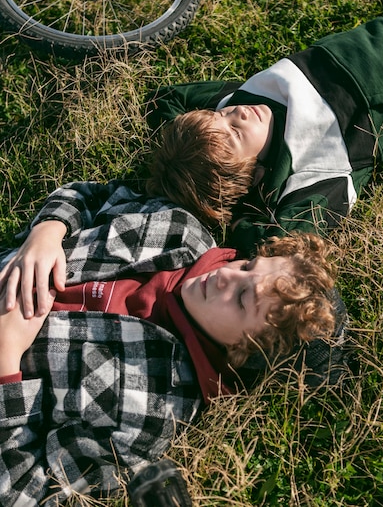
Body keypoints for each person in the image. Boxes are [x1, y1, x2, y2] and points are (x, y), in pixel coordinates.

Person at [0, 179, 348, 505]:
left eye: (243, 299)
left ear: (245, 352)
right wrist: (47, 233)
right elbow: (91, 196)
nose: (225, 274)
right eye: (248, 266)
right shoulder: (182, 231)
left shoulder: (151, 414)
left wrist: (6, 361)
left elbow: (25, 491)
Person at [145, 0, 383, 256]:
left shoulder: (243, 103)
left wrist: (184, 143)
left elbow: (164, 100)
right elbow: (284, 247)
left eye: (219, 115)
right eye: (235, 133)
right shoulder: (316, 168)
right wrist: (241, 218)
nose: (236, 114)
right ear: (253, 174)